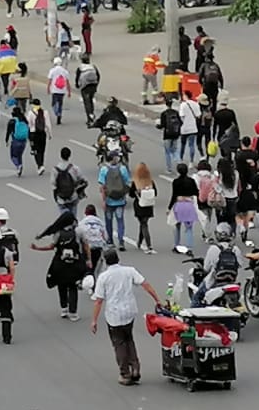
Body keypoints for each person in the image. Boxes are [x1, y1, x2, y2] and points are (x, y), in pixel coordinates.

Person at [90, 247, 164, 385]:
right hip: (129, 311)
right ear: (118, 259)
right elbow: (145, 284)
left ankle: (125, 373)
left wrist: (94, 320)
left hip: (114, 314)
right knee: (129, 338)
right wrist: (157, 300)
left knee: (119, 343)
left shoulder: (103, 277)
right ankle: (135, 368)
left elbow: (98, 301)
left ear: (105, 261)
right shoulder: (129, 271)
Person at [31, 213, 88, 319]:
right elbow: (85, 245)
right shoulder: (78, 232)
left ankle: (64, 309)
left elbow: (51, 247)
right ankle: (73, 312)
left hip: (60, 264)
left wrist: (37, 248)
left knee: (61, 285)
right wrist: (88, 259)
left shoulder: (58, 233)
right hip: (74, 263)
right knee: (73, 286)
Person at [98, 151, 132, 248]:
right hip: (120, 200)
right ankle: (121, 241)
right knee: (120, 220)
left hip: (109, 200)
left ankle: (110, 240)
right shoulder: (123, 169)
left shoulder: (104, 169)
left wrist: (103, 200)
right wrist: (124, 194)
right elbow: (127, 183)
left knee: (109, 221)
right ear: (114, 158)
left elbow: (102, 187)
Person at [169, 162, 199, 254]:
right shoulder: (191, 181)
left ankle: (177, 245)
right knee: (189, 228)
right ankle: (189, 248)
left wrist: (169, 207)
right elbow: (196, 192)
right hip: (189, 205)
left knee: (177, 226)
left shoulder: (176, 182)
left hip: (179, 205)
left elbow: (174, 195)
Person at [131, 161, 157, 254]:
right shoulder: (150, 182)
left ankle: (149, 245)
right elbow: (155, 193)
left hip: (139, 205)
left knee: (143, 224)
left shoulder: (135, 182)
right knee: (144, 223)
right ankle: (139, 241)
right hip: (148, 205)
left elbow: (131, 194)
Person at [50, 146, 86, 215]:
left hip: (61, 198)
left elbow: (53, 185)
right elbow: (82, 180)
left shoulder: (55, 170)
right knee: (73, 216)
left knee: (64, 217)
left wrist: (56, 197)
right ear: (69, 155)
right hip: (73, 196)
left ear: (60, 156)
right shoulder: (74, 168)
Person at [73, 52, 102, 126]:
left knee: (87, 102)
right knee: (91, 100)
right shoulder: (93, 66)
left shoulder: (80, 68)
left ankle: (90, 118)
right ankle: (92, 113)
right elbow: (98, 76)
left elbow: (77, 77)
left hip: (85, 86)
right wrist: (96, 84)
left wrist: (77, 85)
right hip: (93, 86)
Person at [46, 57, 71, 124]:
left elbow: (50, 81)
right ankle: (59, 115)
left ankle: (57, 112)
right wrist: (69, 91)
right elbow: (67, 82)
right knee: (60, 103)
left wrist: (48, 88)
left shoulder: (52, 70)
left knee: (53, 104)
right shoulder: (65, 71)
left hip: (54, 90)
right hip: (62, 90)